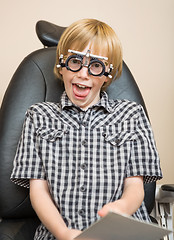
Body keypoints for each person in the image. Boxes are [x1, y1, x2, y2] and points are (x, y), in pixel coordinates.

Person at [11, 18, 162, 240]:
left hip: (120, 234)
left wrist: (121, 207)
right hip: (58, 233)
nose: (83, 74)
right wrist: (63, 233)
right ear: (62, 65)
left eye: (96, 66)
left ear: (107, 74)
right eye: (75, 62)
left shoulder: (131, 115)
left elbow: (135, 186)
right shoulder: (38, 116)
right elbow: (38, 191)